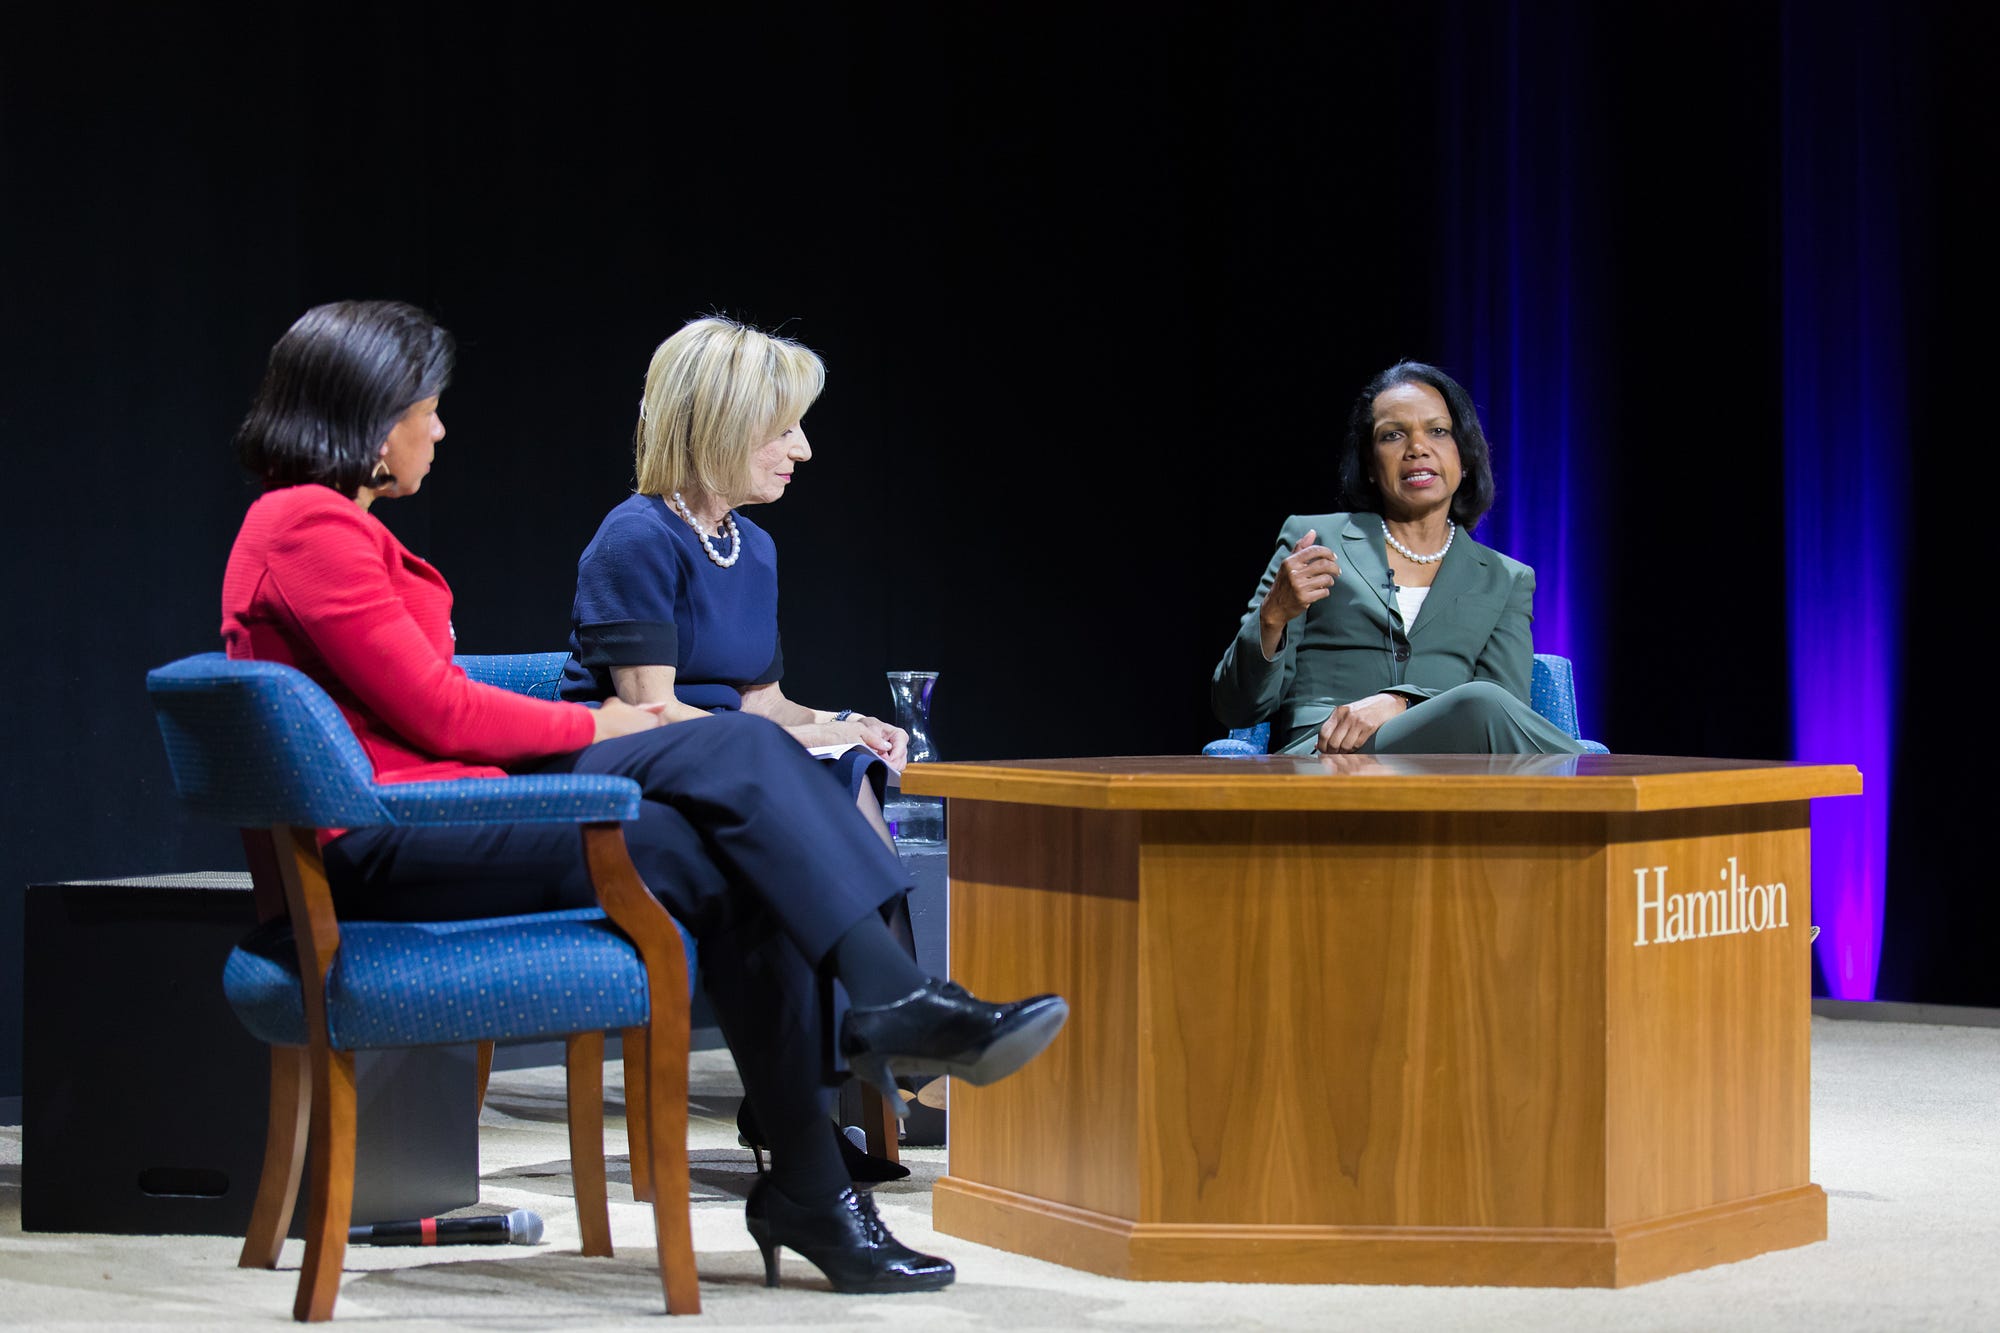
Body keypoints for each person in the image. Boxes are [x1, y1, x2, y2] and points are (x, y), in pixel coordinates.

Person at [220, 300, 1067, 1296]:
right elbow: (440, 715)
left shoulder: (338, 527)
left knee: (739, 850)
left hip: (442, 815)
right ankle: (890, 1010)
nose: (439, 430)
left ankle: (815, 1185)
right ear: (368, 414)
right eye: (427, 408)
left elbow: (433, 707)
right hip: (391, 837)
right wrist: (607, 725)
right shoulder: (304, 525)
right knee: (739, 754)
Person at [558, 316, 903, 847]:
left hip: (733, 749)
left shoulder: (754, 547)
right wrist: (806, 737)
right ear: (724, 427)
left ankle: (878, 934)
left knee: (847, 767)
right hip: (646, 759)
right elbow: (650, 709)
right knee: (806, 775)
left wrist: (851, 722)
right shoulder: (636, 538)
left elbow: (763, 702)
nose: (804, 450)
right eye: (785, 430)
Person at [1210, 360, 1585, 757]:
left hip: (1450, 767)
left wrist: (1401, 701)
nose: (1417, 448)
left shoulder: (1505, 578)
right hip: (1325, 755)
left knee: (1486, 705)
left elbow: (1508, 716)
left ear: (1466, 456)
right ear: (1370, 465)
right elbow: (1235, 705)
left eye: (1438, 431)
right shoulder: (1316, 539)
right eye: (1392, 435)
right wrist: (1273, 616)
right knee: (1483, 705)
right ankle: (1618, 790)